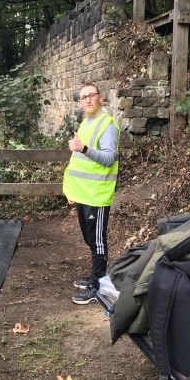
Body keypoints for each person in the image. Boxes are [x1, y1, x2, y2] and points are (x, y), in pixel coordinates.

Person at [63, 82, 120, 305]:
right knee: (89, 238)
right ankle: (95, 276)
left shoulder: (107, 125)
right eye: (83, 97)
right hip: (83, 193)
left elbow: (107, 159)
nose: (87, 100)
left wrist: (83, 148)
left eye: (91, 95)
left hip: (97, 194)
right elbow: (79, 161)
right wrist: (71, 190)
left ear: (100, 98)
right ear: (79, 102)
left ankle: (99, 285)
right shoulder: (87, 123)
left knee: (97, 241)